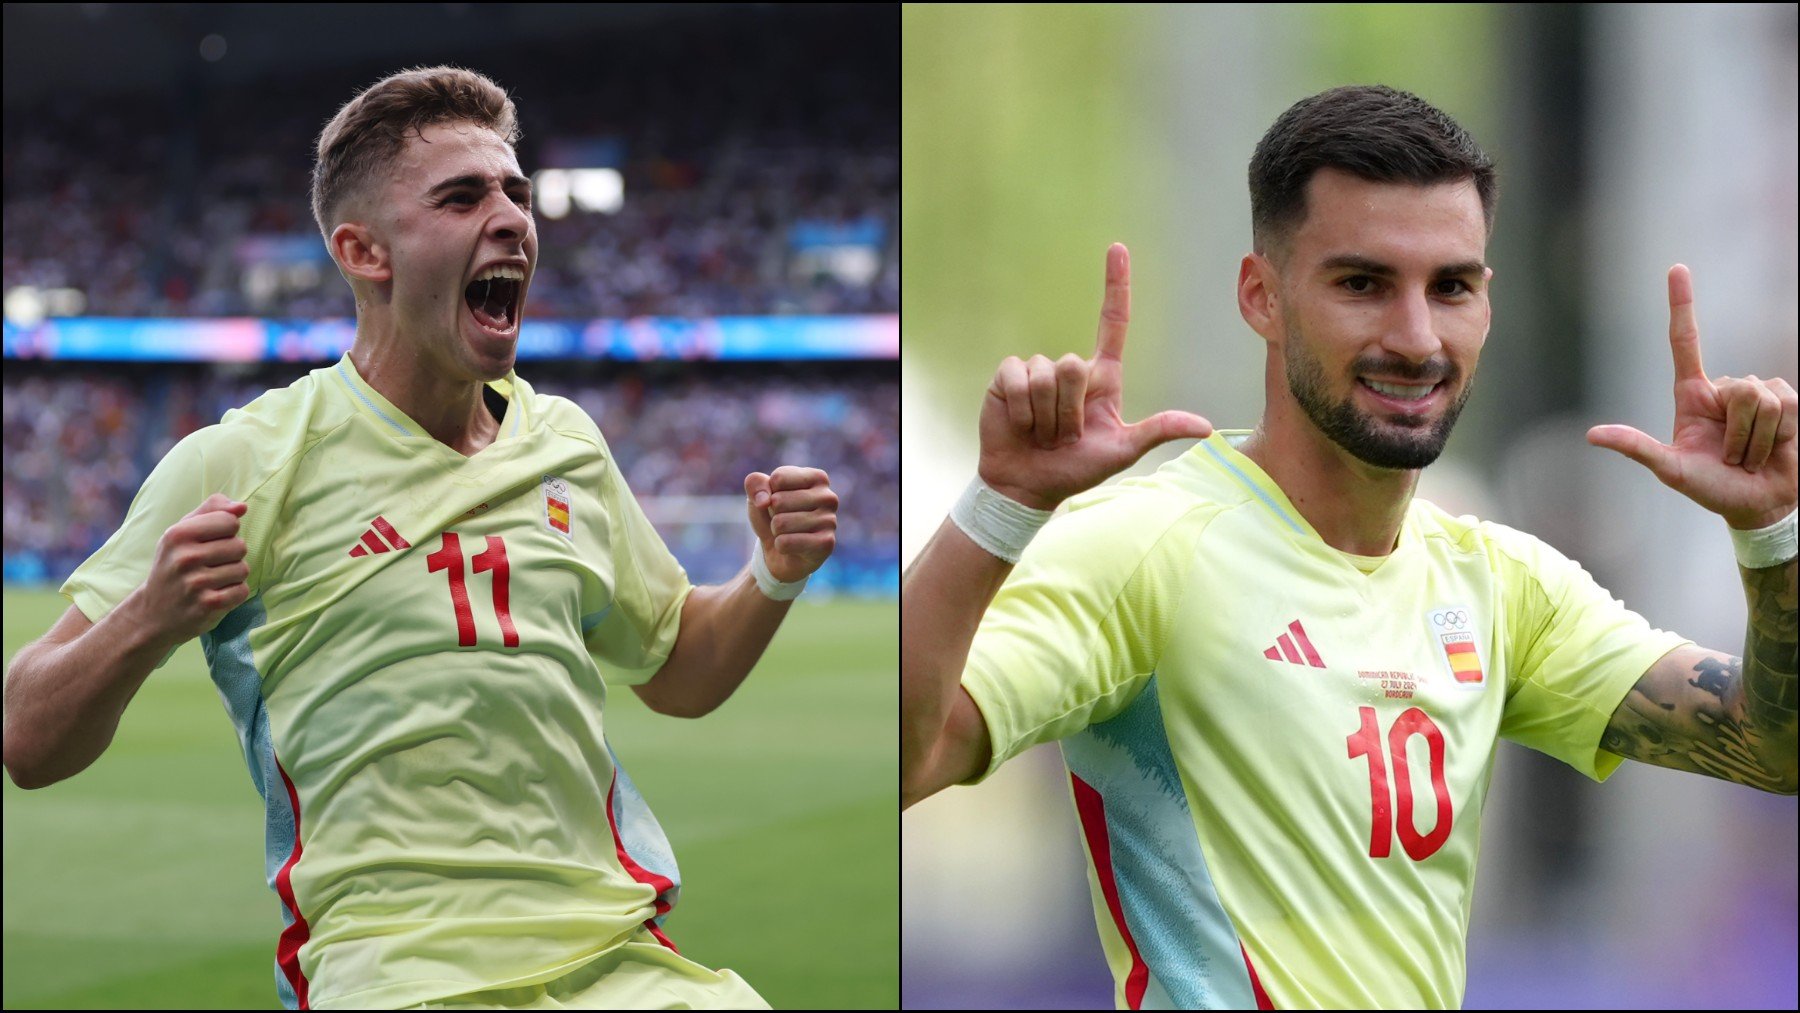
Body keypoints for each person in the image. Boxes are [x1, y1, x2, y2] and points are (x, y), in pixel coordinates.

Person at [900, 84, 1796, 1010]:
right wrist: (1001, 507)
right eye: (1362, 283)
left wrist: (1775, 535)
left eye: (1451, 286)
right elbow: (905, 759)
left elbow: (1776, 751)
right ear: (1263, 295)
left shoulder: (1500, 583)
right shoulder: (1145, 546)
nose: (1415, 338)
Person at [2, 66, 839, 1010]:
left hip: (621, 960)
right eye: (463, 196)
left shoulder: (563, 441)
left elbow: (680, 666)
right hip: (397, 974)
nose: (515, 217)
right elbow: (26, 736)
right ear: (365, 251)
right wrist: (146, 619)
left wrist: (772, 574)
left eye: (517, 192)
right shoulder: (243, 460)